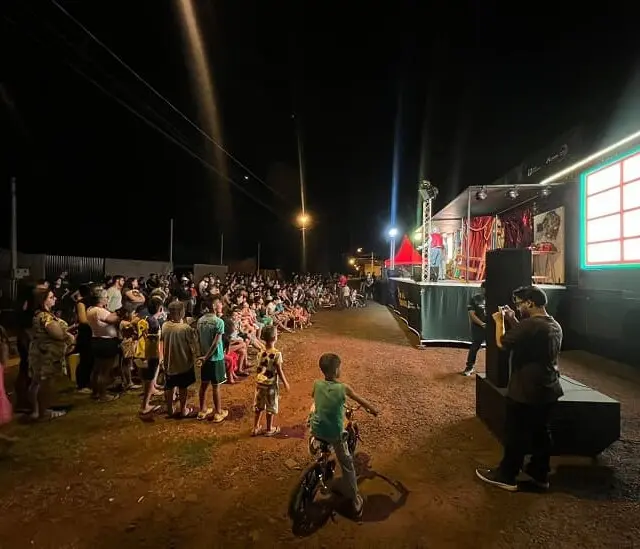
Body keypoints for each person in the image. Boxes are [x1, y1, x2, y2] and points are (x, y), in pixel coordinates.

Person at [476, 285, 563, 492]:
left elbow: (502, 343)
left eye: (519, 303)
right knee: (541, 434)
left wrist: (499, 322)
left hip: (526, 390)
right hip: (548, 388)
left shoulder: (530, 325)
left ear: (530, 303)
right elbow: (525, 335)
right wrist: (513, 319)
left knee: (515, 434)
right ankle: (540, 475)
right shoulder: (553, 324)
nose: (518, 307)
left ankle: (506, 475)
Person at [309, 353, 379, 518]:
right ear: (336, 370)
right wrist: (373, 410)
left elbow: (317, 398)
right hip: (335, 434)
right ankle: (355, 499)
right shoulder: (343, 388)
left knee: (317, 422)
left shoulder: (316, 384)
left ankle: (318, 450)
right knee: (347, 464)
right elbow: (360, 400)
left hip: (316, 429)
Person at [161, 301, 198, 418]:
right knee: (183, 387)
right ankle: (183, 409)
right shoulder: (185, 328)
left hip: (169, 363)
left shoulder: (165, 325)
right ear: (181, 312)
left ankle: (170, 409)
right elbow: (193, 345)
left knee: (169, 386)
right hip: (183, 363)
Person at [252, 325, 290, 436]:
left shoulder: (260, 353)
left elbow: (258, 368)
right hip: (270, 385)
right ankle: (269, 429)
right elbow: (279, 371)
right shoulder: (277, 354)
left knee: (259, 406)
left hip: (260, 383)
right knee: (270, 406)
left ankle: (255, 427)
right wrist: (285, 383)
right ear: (275, 337)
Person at [196, 297, 229, 423]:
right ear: (214, 306)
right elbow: (216, 343)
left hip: (204, 357)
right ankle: (218, 412)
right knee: (216, 386)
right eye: (219, 303)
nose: (221, 305)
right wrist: (207, 356)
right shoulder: (218, 322)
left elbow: (198, 339)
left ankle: (202, 410)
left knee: (204, 384)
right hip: (215, 358)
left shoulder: (200, 321)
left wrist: (202, 356)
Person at [462, 281, 486, 376]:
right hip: (478, 327)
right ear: (482, 289)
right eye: (484, 288)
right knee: (475, 346)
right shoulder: (475, 299)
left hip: (491, 327)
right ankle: (469, 367)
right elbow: (472, 315)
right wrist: (482, 324)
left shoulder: (495, 299)